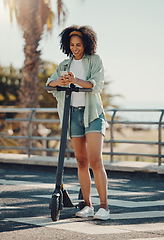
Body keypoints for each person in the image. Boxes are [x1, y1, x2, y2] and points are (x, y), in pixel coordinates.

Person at [46, 25, 110, 220]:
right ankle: (88, 206)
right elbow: (50, 84)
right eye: (72, 45)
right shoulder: (64, 65)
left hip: (92, 114)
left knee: (95, 160)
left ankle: (104, 207)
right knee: (81, 161)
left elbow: (95, 84)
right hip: (72, 114)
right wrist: (60, 82)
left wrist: (76, 80)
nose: (75, 48)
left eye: (79, 45)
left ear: (87, 44)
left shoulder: (94, 60)